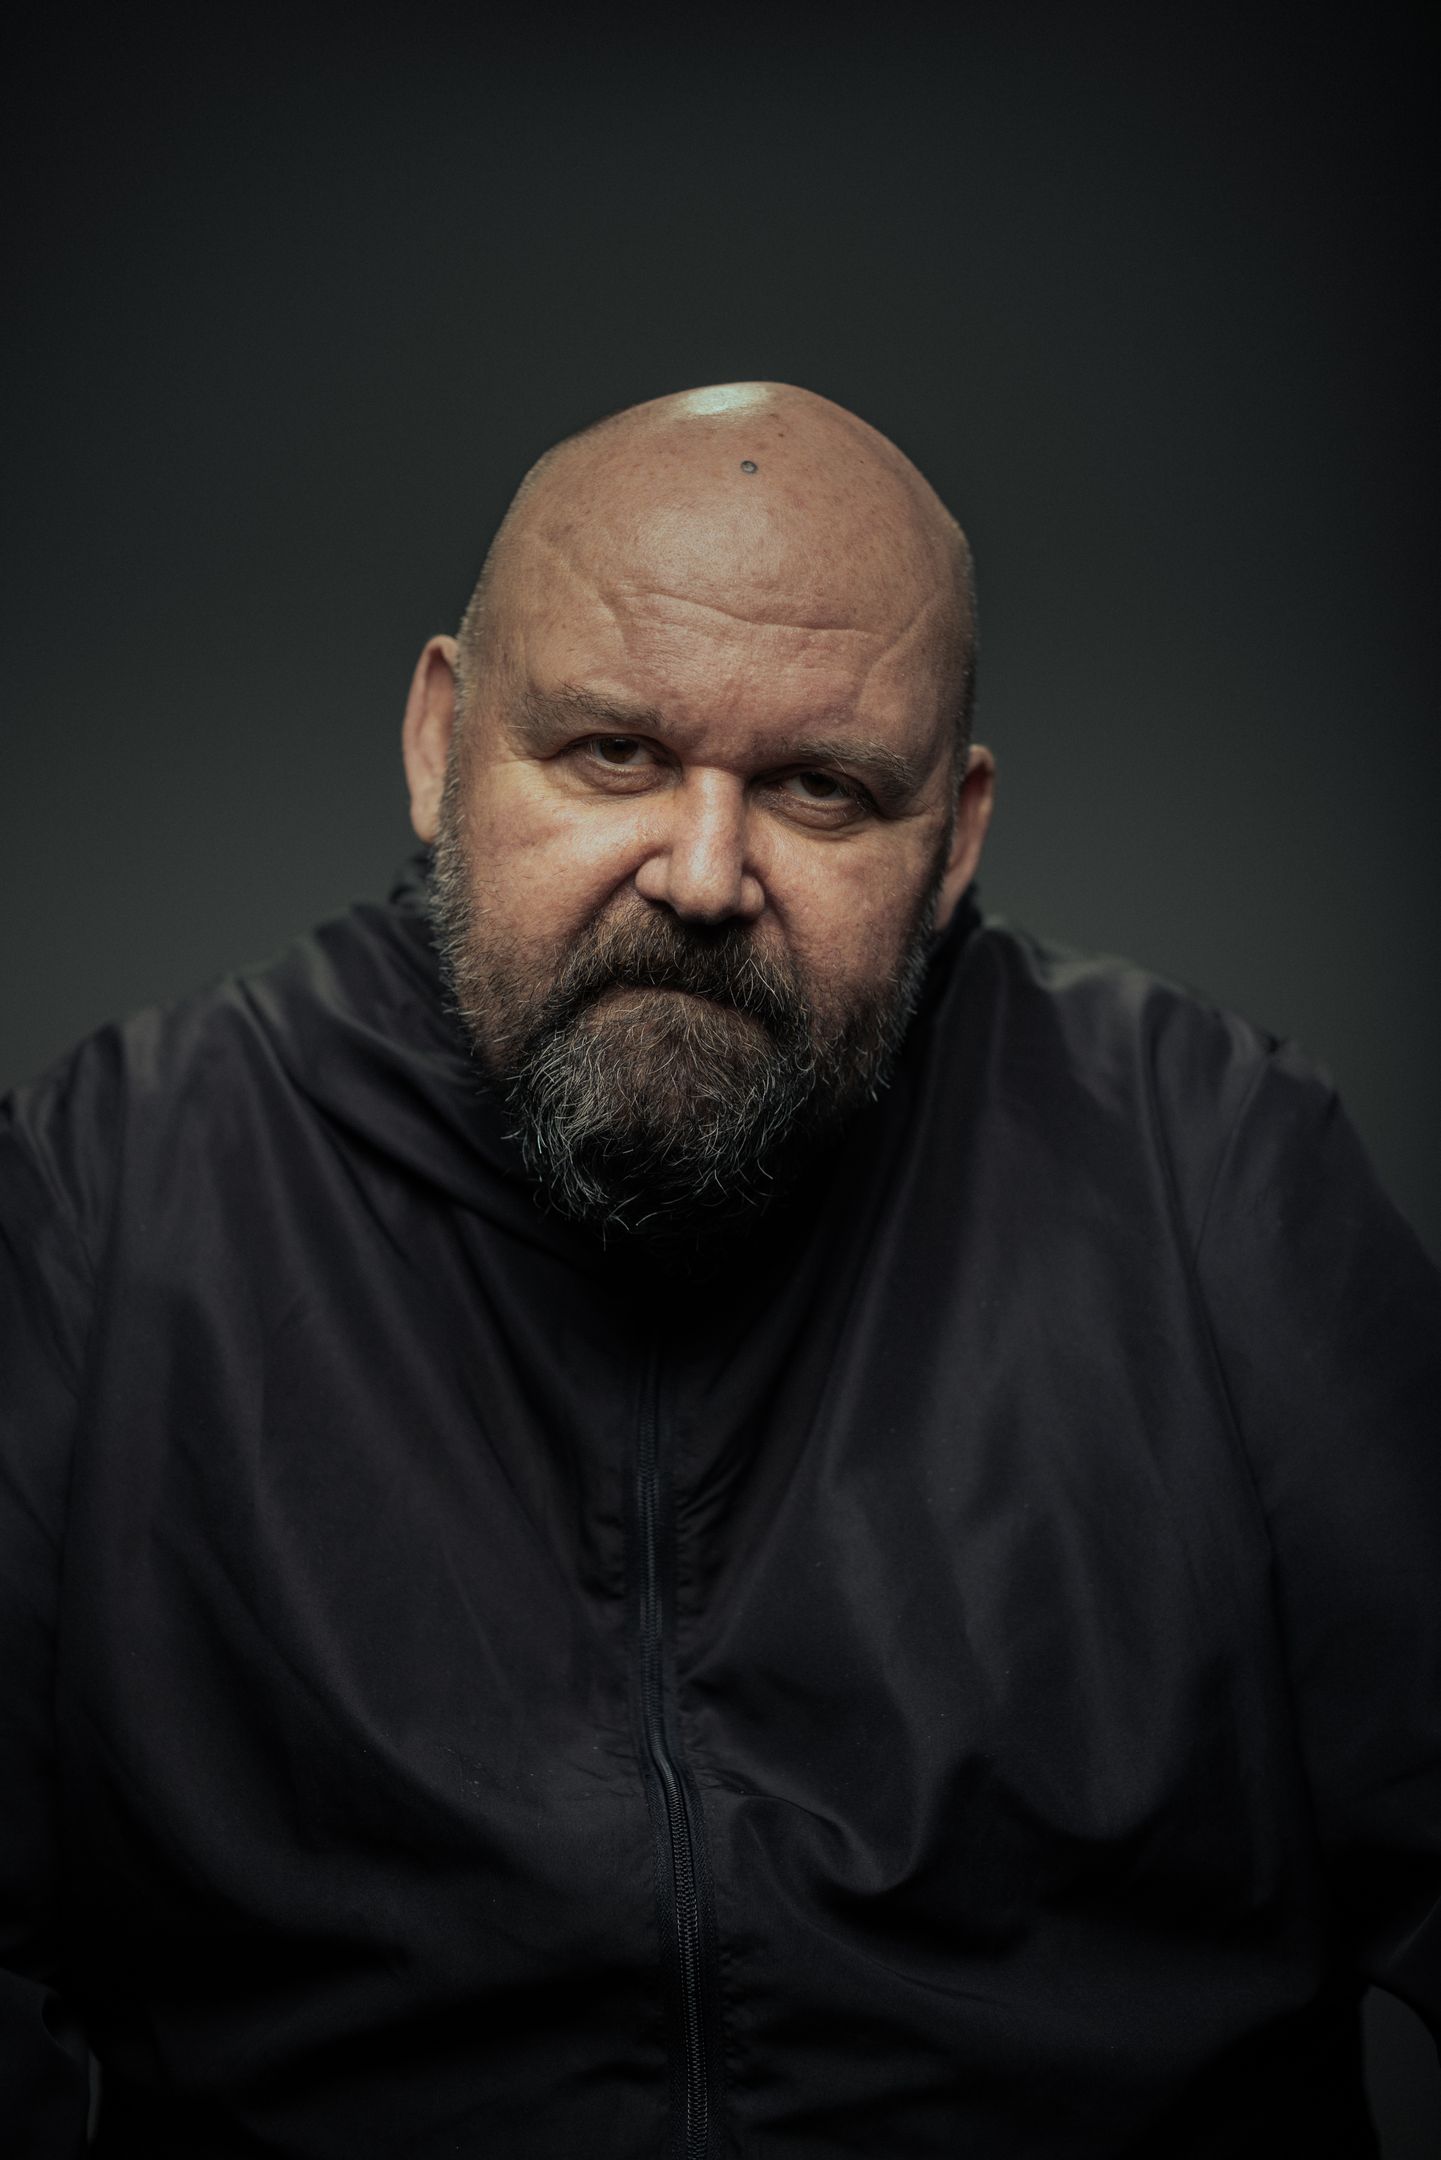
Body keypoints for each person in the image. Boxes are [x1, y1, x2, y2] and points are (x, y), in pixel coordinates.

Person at [1, 382, 1436, 2158]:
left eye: (820, 791)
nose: (699, 875)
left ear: (954, 836)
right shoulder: (115, 1189)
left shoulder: (1197, 1155)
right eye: (612, 753)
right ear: (441, 743)